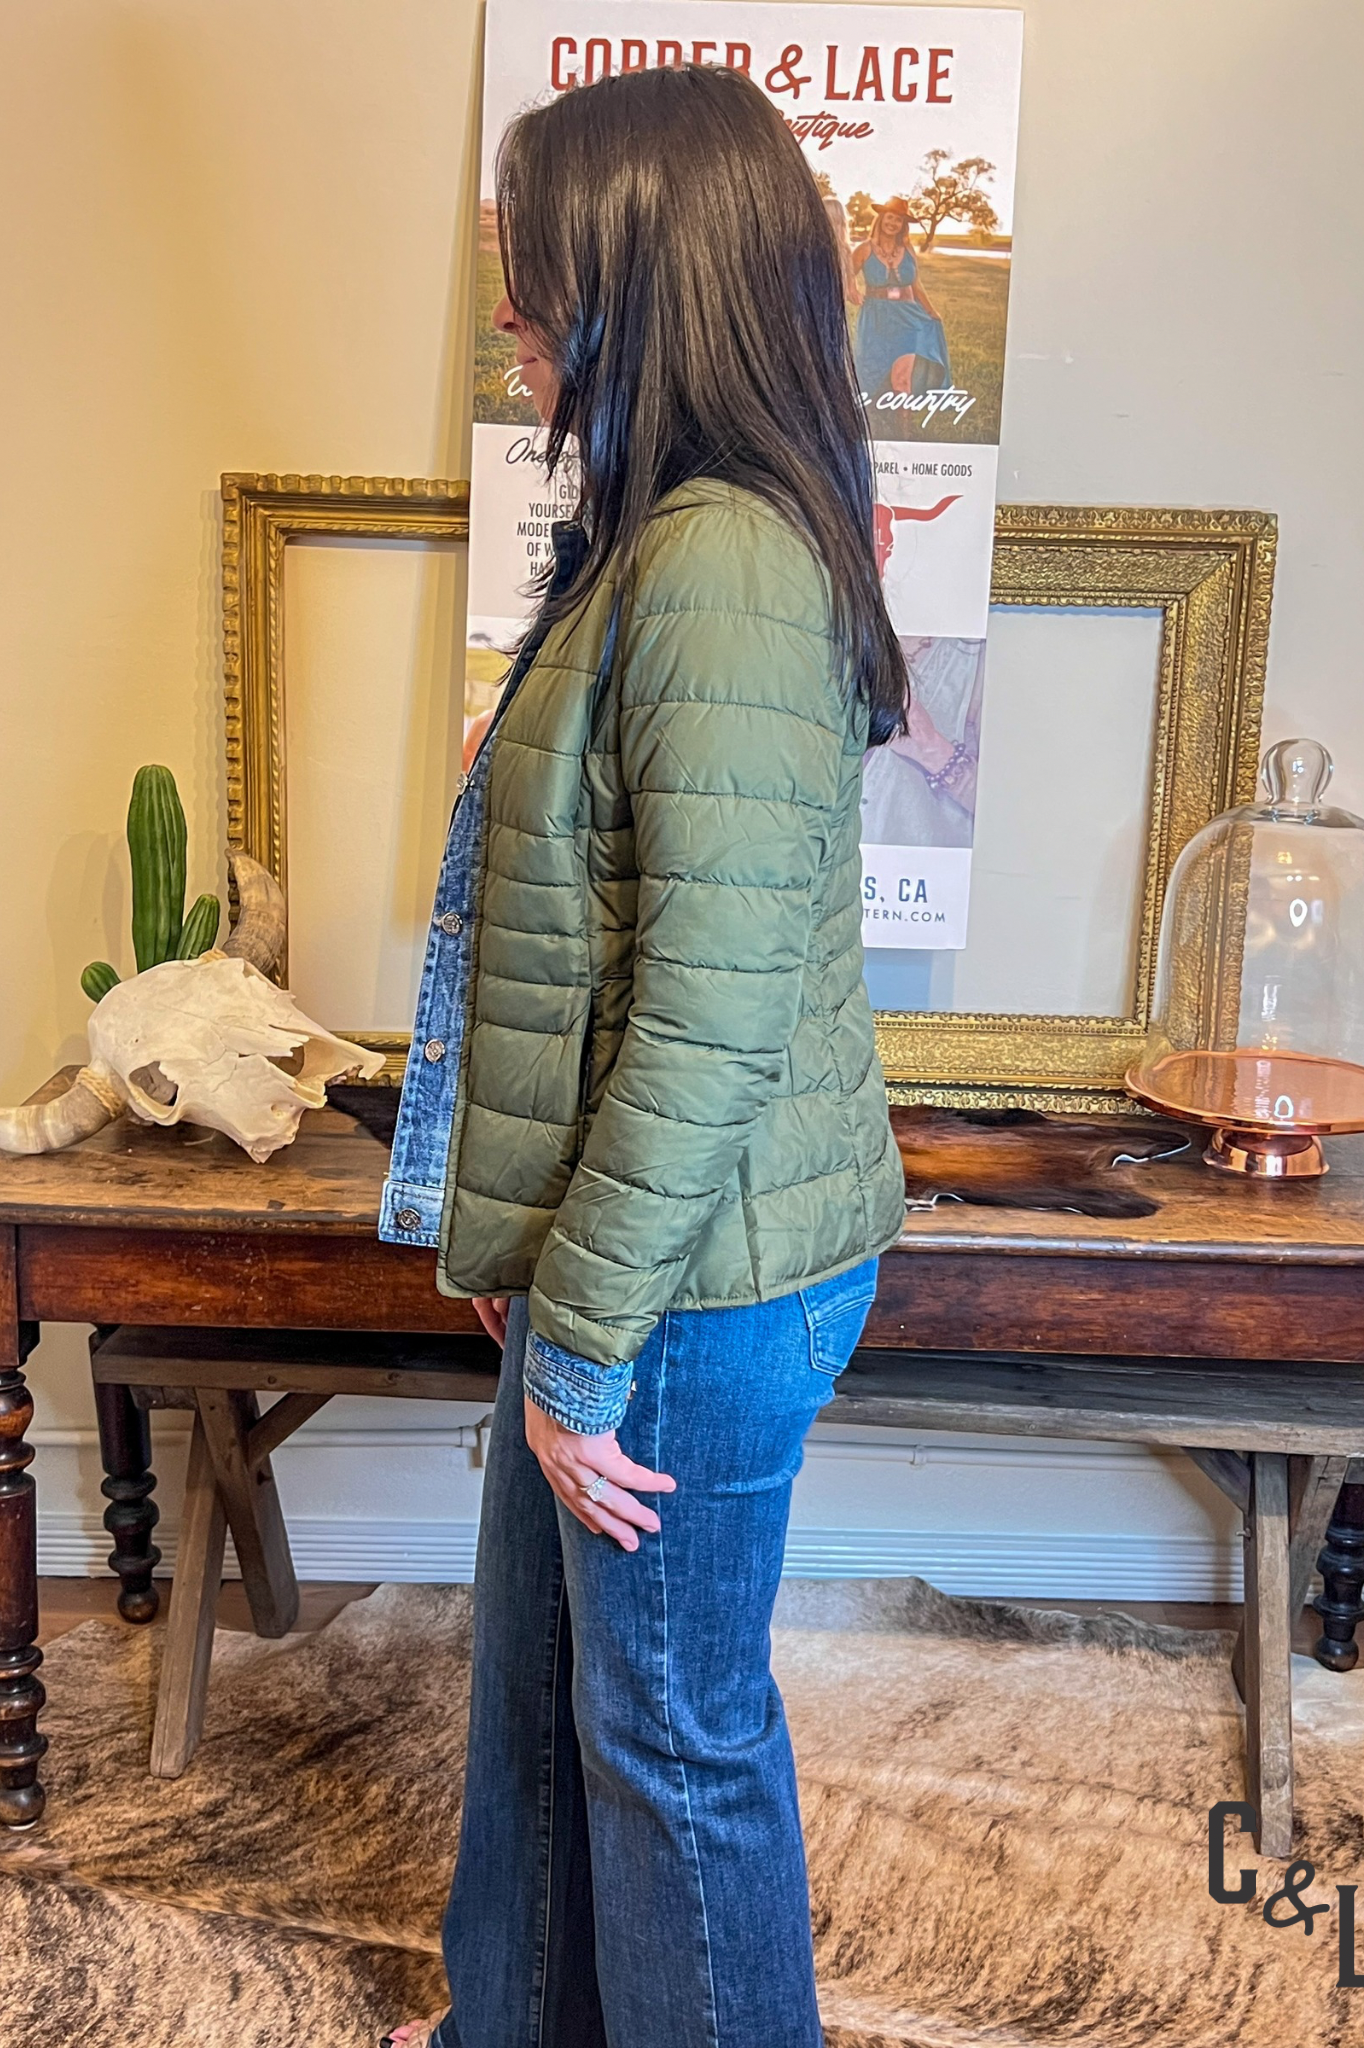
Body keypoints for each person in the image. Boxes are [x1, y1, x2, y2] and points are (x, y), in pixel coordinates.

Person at [379, 61, 907, 2048]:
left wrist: (583, 1333)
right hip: (626, 1256)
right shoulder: (661, 542)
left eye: (533, 294)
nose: (510, 332)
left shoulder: (721, 566)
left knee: (667, 1750)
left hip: (689, 1280)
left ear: (639, 284)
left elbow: (709, 1006)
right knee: (542, 1718)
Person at [852, 195, 951, 401]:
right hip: (876, 315)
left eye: (899, 220)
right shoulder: (864, 249)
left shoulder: (907, 249)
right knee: (870, 368)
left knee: (903, 376)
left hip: (908, 314)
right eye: (890, 217)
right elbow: (843, 275)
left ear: (903, 225)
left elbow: (916, 285)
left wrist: (931, 311)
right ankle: (873, 410)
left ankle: (905, 427)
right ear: (880, 219)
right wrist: (851, 290)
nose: (893, 223)